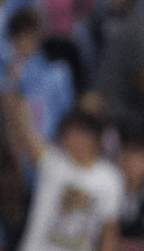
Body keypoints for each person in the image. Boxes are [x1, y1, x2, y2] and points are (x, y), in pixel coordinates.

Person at [0, 94, 124, 251]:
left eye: (75, 132)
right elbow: (26, 136)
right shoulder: (54, 163)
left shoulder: (110, 178)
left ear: (92, 138)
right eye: (67, 132)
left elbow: (109, 232)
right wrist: (16, 101)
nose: (68, 137)